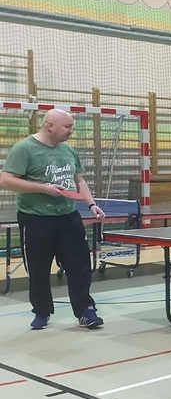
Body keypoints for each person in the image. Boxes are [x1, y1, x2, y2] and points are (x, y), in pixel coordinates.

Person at [0, 109, 106, 330]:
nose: (71, 131)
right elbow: (6, 180)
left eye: (71, 127)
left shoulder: (68, 151)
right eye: (67, 127)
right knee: (38, 270)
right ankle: (41, 311)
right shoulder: (24, 149)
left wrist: (91, 204)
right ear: (49, 126)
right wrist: (44, 189)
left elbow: (79, 181)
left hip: (68, 218)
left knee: (80, 267)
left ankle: (86, 311)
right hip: (36, 219)